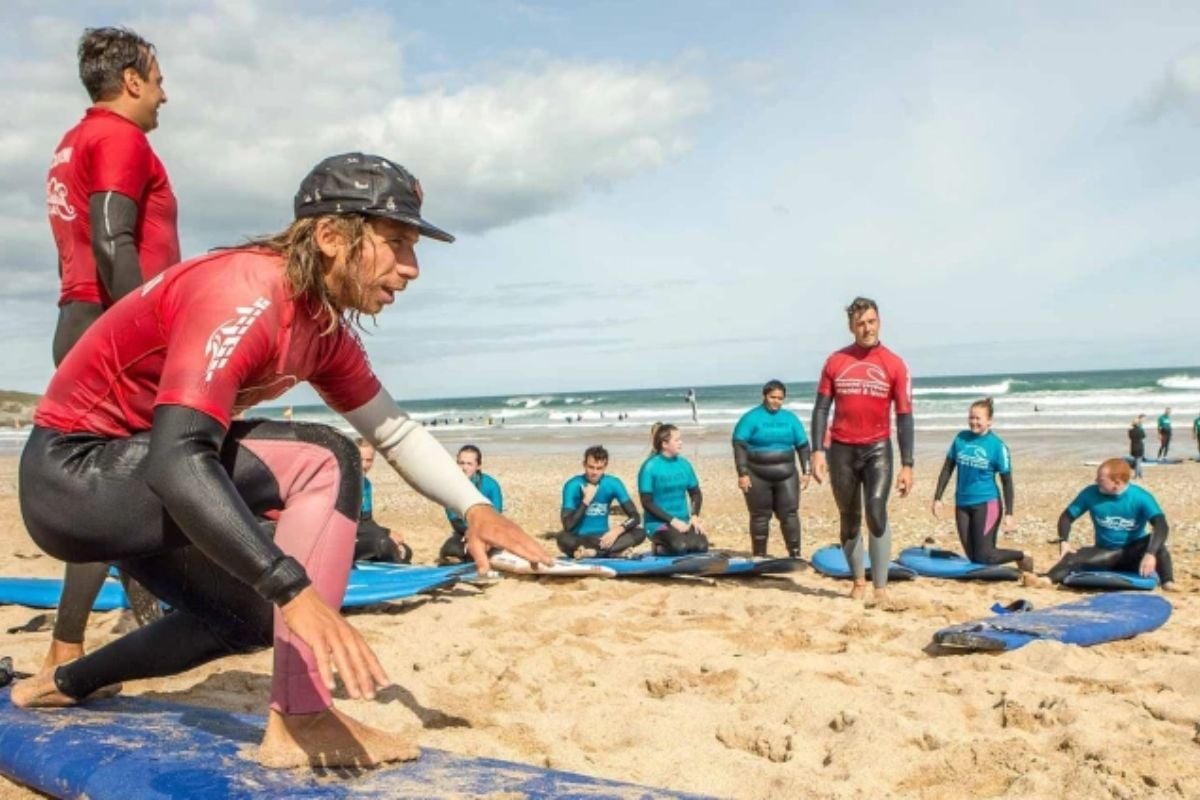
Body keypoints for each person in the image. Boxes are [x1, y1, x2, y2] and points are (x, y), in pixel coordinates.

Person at [13, 152, 553, 769]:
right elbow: (178, 456)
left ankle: (67, 682)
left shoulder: (321, 330)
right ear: (330, 237)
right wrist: (292, 589)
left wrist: (474, 507)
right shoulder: (246, 291)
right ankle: (302, 717)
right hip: (73, 477)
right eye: (396, 242)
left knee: (246, 618)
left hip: (127, 489)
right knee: (325, 457)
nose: (411, 268)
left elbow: (394, 430)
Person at [42, 26, 179, 669]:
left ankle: (145, 617)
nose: (164, 95)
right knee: (105, 492)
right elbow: (110, 238)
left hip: (81, 318)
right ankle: (66, 650)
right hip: (111, 326)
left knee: (128, 482)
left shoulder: (74, 141)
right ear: (131, 80)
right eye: (157, 80)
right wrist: (142, 329)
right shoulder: (120, 137)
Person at [810, 297, 913, 604]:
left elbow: (904, 415)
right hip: (841, 449)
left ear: (879, 321)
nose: (867, 328)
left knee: (876, 511)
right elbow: (821, 409)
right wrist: (817, 451)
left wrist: (908, 464)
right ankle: (858, 581)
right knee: (849, 516)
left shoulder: (894, 364)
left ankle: (880, 588)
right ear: (851, 327)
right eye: (860, 324)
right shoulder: (836, 361)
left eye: (871, 321)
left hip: (878, 448)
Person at [1025, 458, 1177, 591]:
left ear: (1117, 483)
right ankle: (1046, 580)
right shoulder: (1090, 493)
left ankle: (1168, 582)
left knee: (1158, 545)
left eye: (1101, 479)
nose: (1096, 481)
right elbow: (1066, 517)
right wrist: (1064, 540)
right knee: (1071, 557)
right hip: (1105, 554)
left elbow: (1161, 525)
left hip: (1133, 554)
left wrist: (1150, 554)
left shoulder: (1140, 497)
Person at [931, 399, 1031, 570]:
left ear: (989, 421)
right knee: (973, 557)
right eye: (971, 417)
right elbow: (947, 468)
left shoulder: (997, 446)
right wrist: (937, 498)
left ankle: (1022, 555)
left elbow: (1007, 481)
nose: (974, 422)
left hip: (987, 503)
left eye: (978, 418)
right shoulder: (960, 439)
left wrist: (1009, 513)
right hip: (962, 504)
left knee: (985, 556)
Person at [732, 380, 811, 558]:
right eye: (772, 397)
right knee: (760, 515)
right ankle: (759, 555)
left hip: (786, 474)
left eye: (780, 398)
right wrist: (742, 473)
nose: (776, 401)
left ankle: (795, 554)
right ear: (764, 396)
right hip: (757, 473)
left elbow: (803, 446)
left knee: (789, 514)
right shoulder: (751, 418)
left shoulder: (790, 419)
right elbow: (739, 445)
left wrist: (807, 472)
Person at [557, 445, 645, 558]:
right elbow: (568, 526)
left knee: (640, 532)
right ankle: (613, 553)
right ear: (584, 464)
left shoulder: (613, 483)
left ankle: (593, 553)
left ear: (605, 467)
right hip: (581, 538)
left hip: (604, 538)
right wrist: (586, 501)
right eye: (591, 467)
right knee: (562, 538)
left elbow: (635, 517)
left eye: (599, 468)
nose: (594, 472)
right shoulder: (572, 485)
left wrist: (617, 531)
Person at [638, 424, 708, 555]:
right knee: (679, 547)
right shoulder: (649, 467)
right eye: (677, 440)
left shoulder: (684, 464)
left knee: (701, 547)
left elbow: (695, 493)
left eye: (680, 439)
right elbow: (646, 502)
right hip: (658, 524)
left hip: (684, 521)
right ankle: (657, 548)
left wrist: (694, 516)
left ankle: (676, 542)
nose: (681, 442)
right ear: (664, 444)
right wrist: (673, 521)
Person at [438, 445, 504, 564]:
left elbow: (497, 515)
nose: (464, 468)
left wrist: (480, 534)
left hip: (489, 531)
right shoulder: (450, 487)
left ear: (478, 466)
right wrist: (470, 533)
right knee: (450, 551)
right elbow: (454, 519)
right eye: (461, 463)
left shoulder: (491, 485)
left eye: (469, 464)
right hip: (463, 532)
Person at [354, 438, 412, 564]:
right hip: (345, 540)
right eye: (360, 459)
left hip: (362, 536)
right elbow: (352, 523)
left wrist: (387, 533)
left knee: (404, 550)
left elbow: (366, 520)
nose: (364, 465)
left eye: (369, 460)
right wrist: (386, 533)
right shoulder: (344, 483)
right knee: (383, 543)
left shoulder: (366, 484)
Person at [1128, 414, 1146, 480]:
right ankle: (1136, 475)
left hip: (1133, 446)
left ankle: (1140, 475)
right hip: (1140, 446)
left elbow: (1130, 437)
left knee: (1137, 461)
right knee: (1138, 462)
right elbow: (1144, 436)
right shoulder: (1140, 430)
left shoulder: (1130, 431)